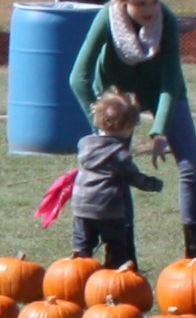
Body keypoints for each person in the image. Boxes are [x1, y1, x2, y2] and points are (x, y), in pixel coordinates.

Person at [66, 0, 196, 262]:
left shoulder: (166, 20)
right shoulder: (106, 19)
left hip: (161, 93)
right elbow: (78, 77)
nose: (150, 9)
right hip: (117, 100)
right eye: (141, 3)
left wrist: (159, 130)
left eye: (155, 0)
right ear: (122, 0)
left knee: (191, 163)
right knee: (116, 170)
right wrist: (102, 119)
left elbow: (171, 80)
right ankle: (124, 255)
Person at [68, 87, 163, 269]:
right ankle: (114, 273)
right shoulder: (119, 153)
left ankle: (78, 273)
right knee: (116, 246)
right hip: (108, 208)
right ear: (127, 127)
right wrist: (154, 184)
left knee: (82, 244)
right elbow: (133, 177)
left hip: (81, 206)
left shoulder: (85, 143)